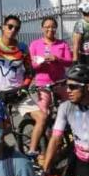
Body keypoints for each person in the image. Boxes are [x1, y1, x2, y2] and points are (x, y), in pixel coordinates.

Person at [27, 17, 73, 156]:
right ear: (42, 28)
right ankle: (33, 149)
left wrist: (57, 59)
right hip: (43, 85)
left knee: (71, 107)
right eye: (47, 27)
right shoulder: (35, 44)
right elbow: (32, 64)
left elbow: (69, 62)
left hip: (60, 83)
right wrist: (40, 62)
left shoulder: (62, 44)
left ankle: (70, 133)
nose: (50, 29)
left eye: (53, 27)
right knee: (44, 114)